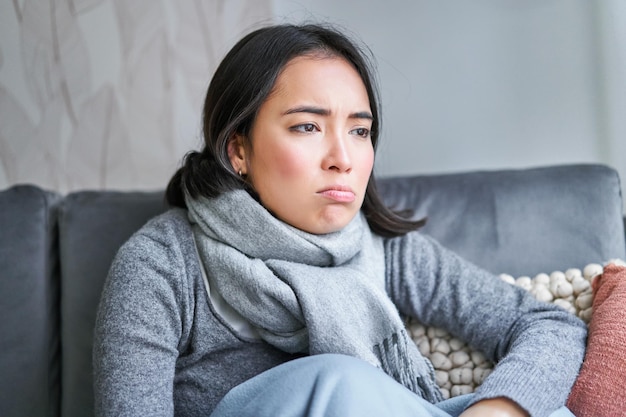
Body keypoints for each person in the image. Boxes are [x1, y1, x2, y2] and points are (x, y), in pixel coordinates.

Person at [93, 23, 587, 417]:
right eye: (307, 126)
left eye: (360, 131)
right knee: (337, 381)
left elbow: (547, 325)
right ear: (237, 149)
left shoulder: (383, 250)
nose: (342, 158)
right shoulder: (160, 264)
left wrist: (501, 408)